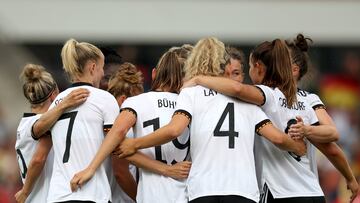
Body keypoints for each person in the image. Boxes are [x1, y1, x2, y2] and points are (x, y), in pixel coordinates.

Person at [117, 37, 306, 203]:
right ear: (223, 68)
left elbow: (175, 130)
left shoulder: (191, 92)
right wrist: (298, 147)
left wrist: (135, 143)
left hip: (203, 190)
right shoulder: (248, 102)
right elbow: (278, 139)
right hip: (243, 190)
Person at [179, 38, 336, 203]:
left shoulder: (260, 96)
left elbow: (237, 89)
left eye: (238, 72)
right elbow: (331, 143)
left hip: (275, 192)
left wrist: (198, 79)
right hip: (307, 191)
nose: (233, 79)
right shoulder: (307, 99)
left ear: (258, 67)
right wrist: (350, 178)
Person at [70, 49, 192, 203]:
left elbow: (118, 136)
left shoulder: (135, 103)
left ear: (154, 74)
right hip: (185, 195)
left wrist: (91, 168)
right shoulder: (190, 104)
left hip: (150, 195)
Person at [31, 38, 124, 203]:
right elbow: (115, 137)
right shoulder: (104, 98)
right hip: (91, 193)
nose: (103, 74)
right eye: (102, 68)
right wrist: (90, 169)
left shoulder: (59, 100)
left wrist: (61, 105)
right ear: (93, 67)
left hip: (57, 196)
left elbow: (36, 130)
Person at [286, 33, 359, 202]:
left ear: (294, 70)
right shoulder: (268, 96)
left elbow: (333, 136)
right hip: (303, 191)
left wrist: (306, 130)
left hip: (290, 193)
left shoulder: (304, 100)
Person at [14, 64, 89, 203]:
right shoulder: (39, 123)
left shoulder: (24, 123)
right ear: (54, 93)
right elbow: (38, 159)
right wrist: (64, 104)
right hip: (43, 198)